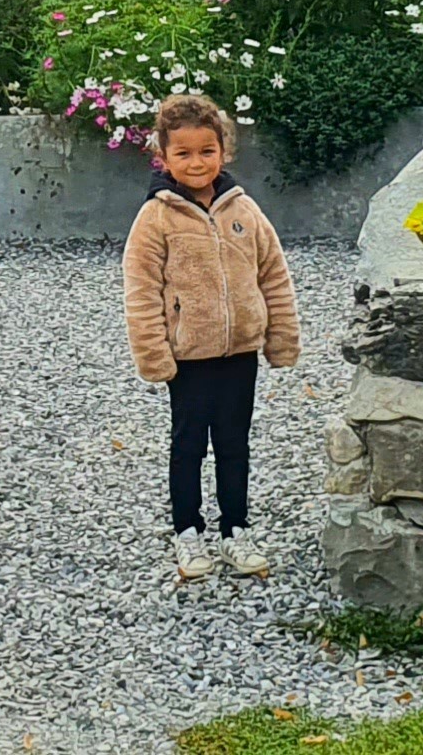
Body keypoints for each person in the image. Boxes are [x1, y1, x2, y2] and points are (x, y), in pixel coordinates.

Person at [120, 91, 299, 581]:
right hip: (190, 357)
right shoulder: (155, 218)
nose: (196, 162)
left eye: (206, 151)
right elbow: (140, 290)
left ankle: (235, 529)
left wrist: (280, 337)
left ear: (223, 151)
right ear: (163, 156)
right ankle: (187, 532)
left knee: (234, 442)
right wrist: (154, 354)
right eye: (183, 153)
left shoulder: (245, 211)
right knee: (189, 444)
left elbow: (274, 276)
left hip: (239, 351)